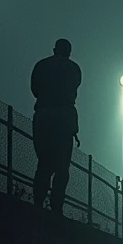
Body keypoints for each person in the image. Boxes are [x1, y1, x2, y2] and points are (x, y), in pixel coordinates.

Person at [31, 39, 82, 215]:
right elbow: (74, 89)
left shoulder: (41, 65)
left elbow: (35, 90)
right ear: (69, 51)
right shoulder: (74, 68)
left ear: (54, 50)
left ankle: (38, 202)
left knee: (44, 164)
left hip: (43, 116)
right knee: (62, 167)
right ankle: (56, 206)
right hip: (64, 118)